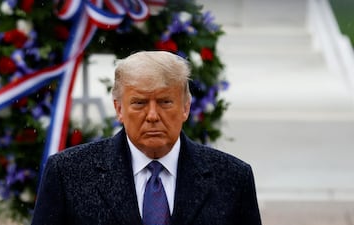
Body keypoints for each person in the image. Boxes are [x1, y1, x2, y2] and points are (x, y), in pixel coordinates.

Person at [31, 51, 262, 225]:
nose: (152, 116)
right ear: (119, 109)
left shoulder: (232, 178)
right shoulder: (68, 174)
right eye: (139, 103)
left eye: (165, 102)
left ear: (185, 107)